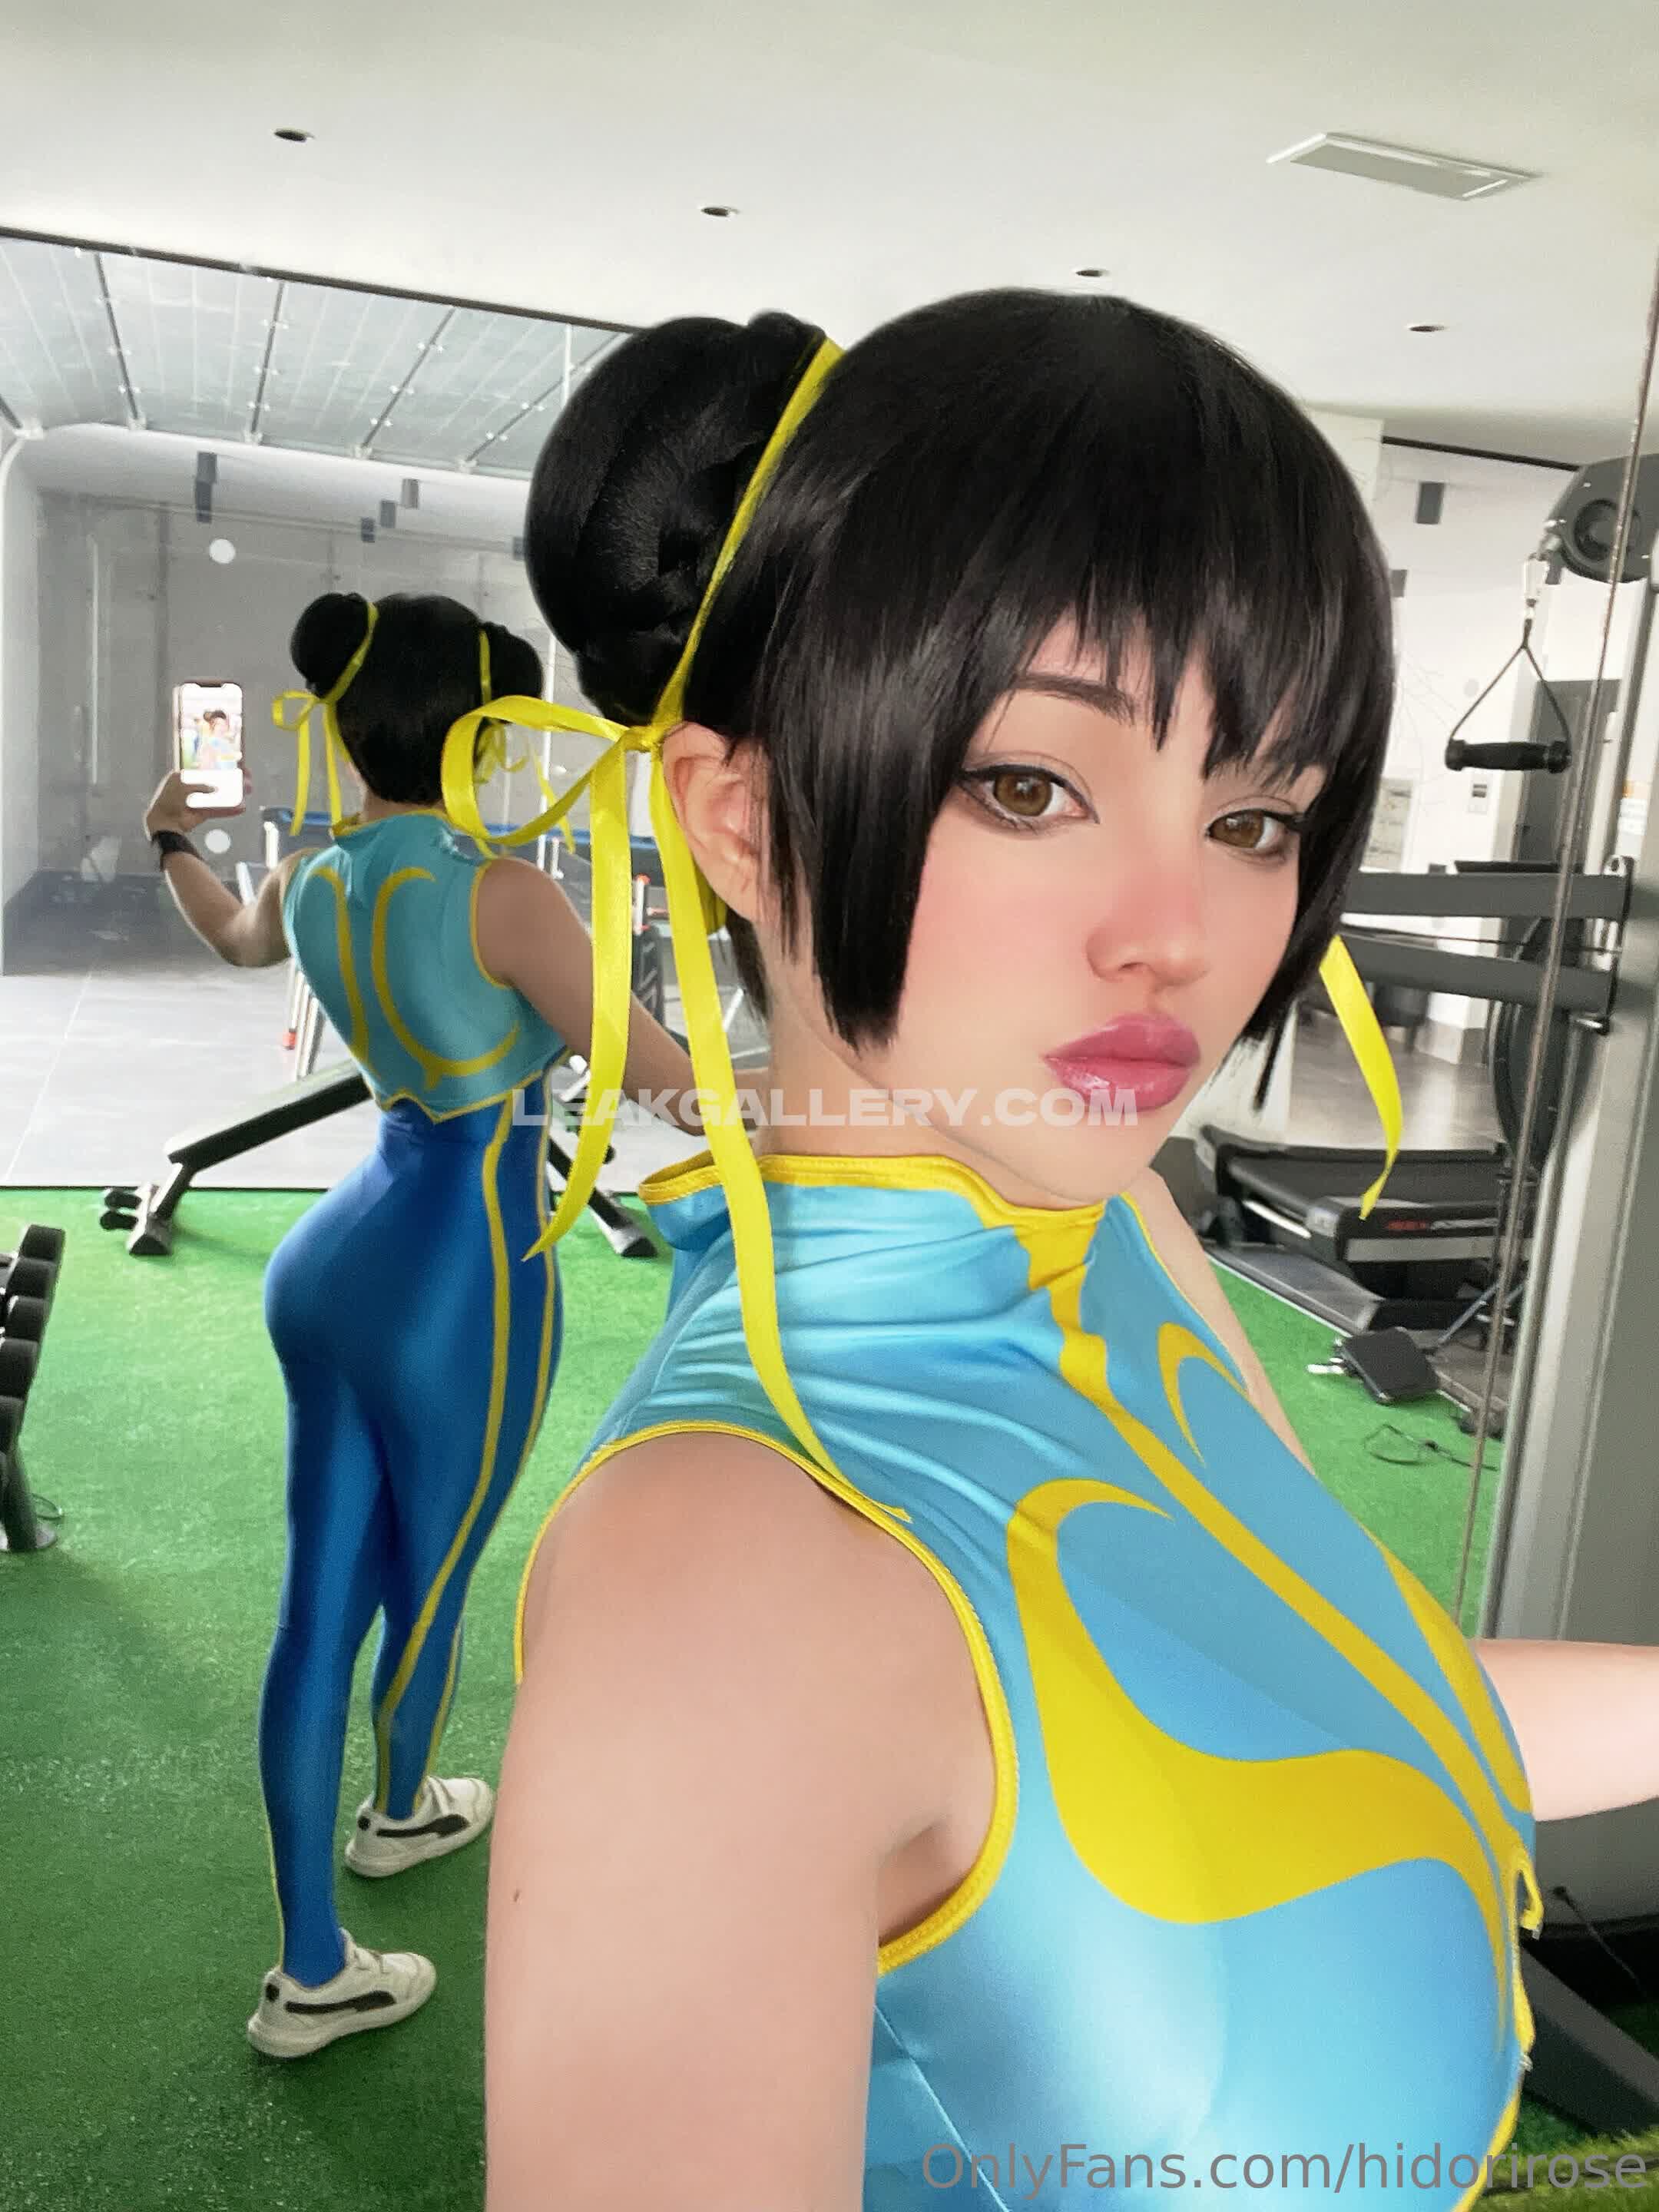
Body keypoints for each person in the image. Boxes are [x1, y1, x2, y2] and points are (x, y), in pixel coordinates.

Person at [484, 291, 1659, 2212]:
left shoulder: (1115, 1222)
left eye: (1257, 815)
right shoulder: (727, 1582)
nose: (1178, 935)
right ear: (746, 821)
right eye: (1030, 786)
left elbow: (1323, 1703)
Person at [142, 590, 700, 2059]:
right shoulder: (504, 893)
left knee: (317, 1606)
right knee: (433, 1579)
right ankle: (395, 1818)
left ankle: (309, 1964)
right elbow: (673, 1084)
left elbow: (230, 937)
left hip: (336, 1257)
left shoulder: (318, 870)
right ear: (478, 732)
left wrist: (170, 836)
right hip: (466, 1265)